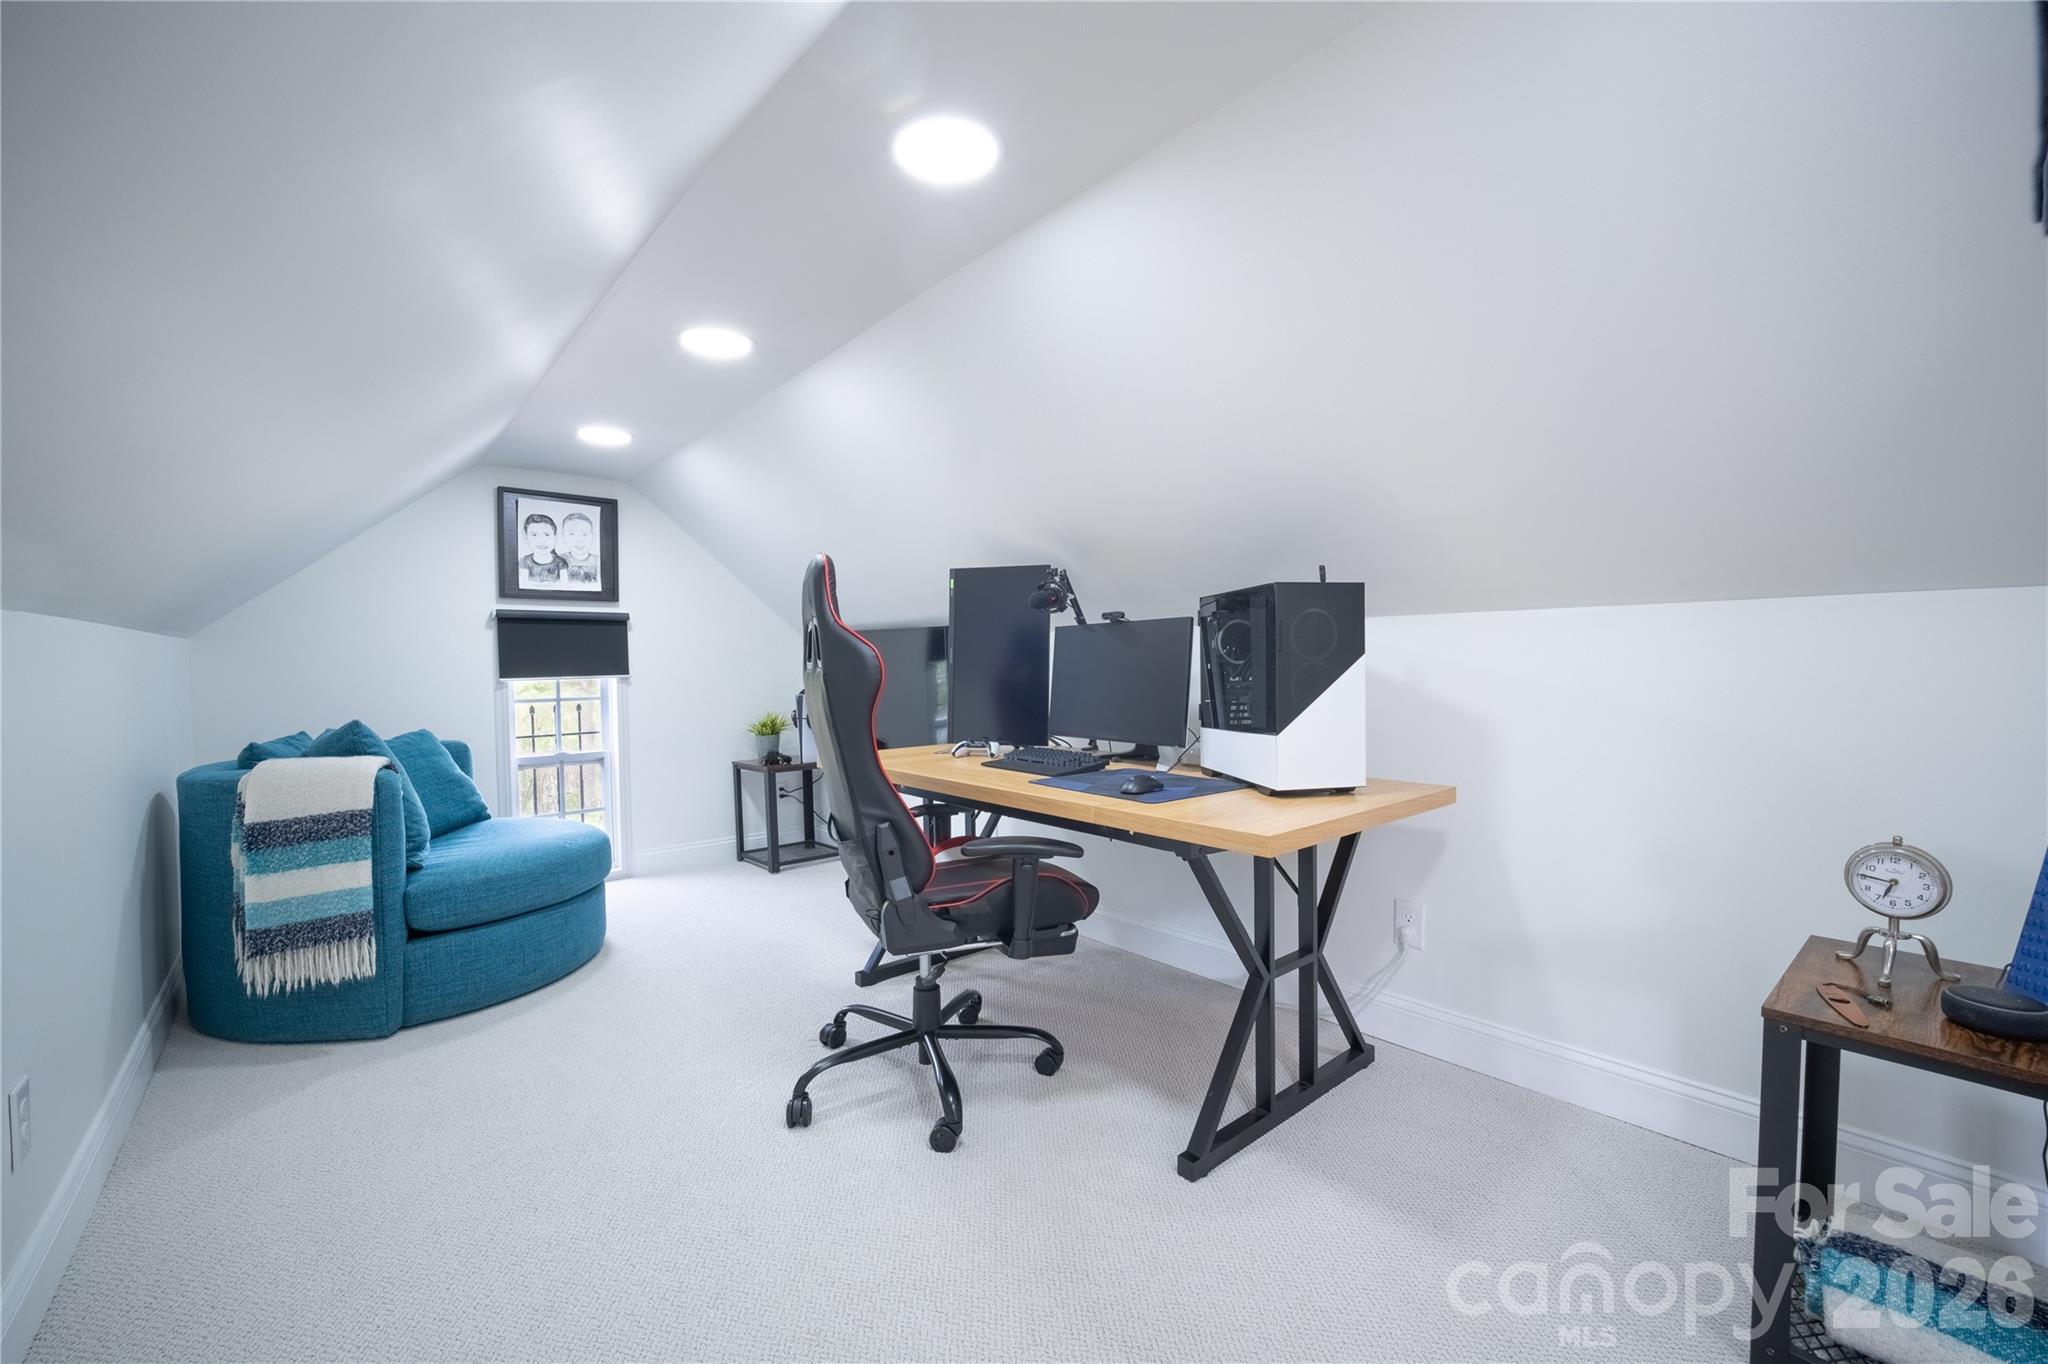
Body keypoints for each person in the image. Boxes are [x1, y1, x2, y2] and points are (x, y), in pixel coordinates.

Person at [519, 512, 562, 585]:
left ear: (555, 537)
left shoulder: (560, 563)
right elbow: (524, 584)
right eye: (534, 535)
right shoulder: (524, 562)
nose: (541, 540)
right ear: (526, 537)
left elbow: (566, 586)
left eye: (547, 534)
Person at [561, 512, 601, 588]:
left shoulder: (598, 560)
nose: (579, 540)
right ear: (563, 536)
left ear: (592, 536)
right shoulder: (560, 560)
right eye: (572, 534)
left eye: (584, 534)